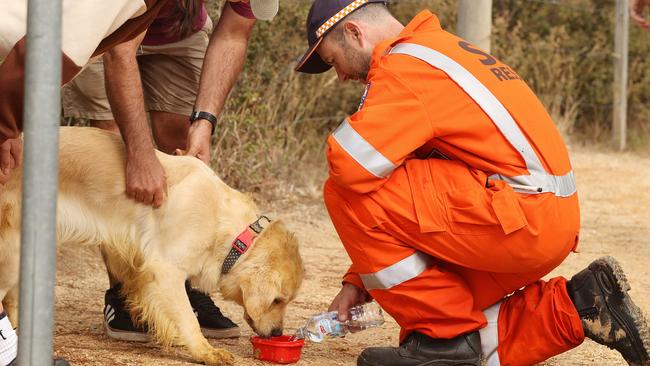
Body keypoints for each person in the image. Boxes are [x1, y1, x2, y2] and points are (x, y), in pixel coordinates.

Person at [295, 1, 650, 365]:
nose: (340, 77)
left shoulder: (404, 68)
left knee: (344, 192)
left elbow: (349, 167)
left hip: (519, 218)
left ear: (354, 33)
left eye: (334, 60)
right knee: (444, 321)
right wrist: (358, 280)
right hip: (542, 220)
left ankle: (443, 338)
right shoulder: (437, 49)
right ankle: (582, 306)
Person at [60, 0, 273, 342]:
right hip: (106, 24)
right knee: (112, 156)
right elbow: (120, 51)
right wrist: (141, 155)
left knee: (183, 146)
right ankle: (126, 294)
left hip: (177, 27)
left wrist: (204, 123)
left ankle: (183, 285)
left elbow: (233, 34)